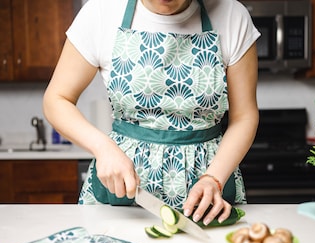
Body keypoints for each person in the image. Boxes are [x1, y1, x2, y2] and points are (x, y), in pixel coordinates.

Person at [43, 0, 260, 226]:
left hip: (208, 191)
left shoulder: (232, 15)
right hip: (123, 192)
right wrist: (102, 147)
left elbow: (244, 116)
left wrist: (213, 179)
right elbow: (56, 99)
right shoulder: (101, 11)